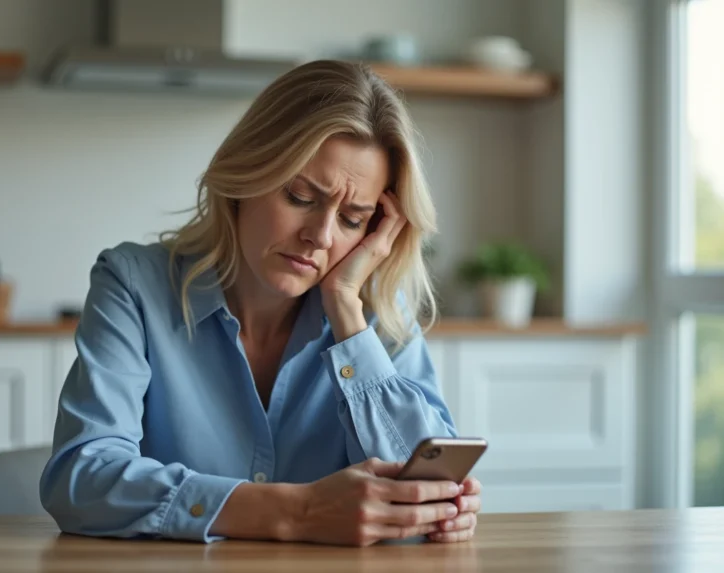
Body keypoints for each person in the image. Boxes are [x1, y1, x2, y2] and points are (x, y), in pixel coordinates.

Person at [39, 59, 482, 547]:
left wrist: (346, 315)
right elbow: (80, 479)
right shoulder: (133, 285)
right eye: (299, 196)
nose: (320, 236)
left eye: (353, 219)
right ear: (246, 173)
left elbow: (429, 485)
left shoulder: (374, 310)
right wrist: (297, 512)